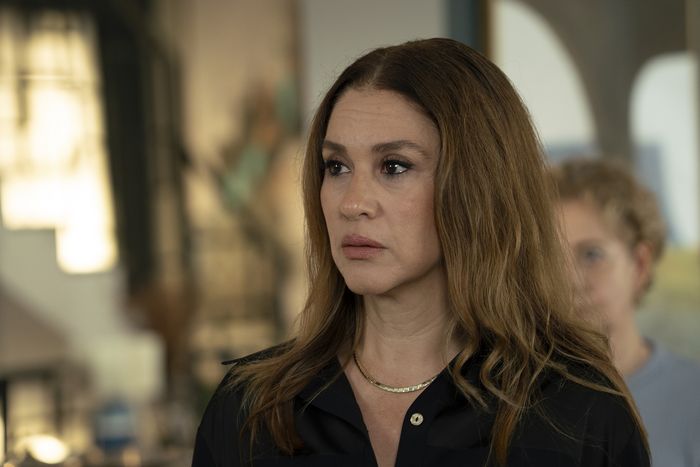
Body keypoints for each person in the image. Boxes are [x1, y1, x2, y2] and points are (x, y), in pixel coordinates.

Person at [192, 38, 649, 467]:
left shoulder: (581, 413)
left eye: (394, 166)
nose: (352, 203)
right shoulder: (249, 410)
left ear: (477, 187)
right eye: (337, 166)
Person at [551, 157, 700, 467]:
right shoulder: (515, 401)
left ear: (640, 265)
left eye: (592, 254)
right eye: (550, 259)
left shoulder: (692, 398)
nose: (570, 280)